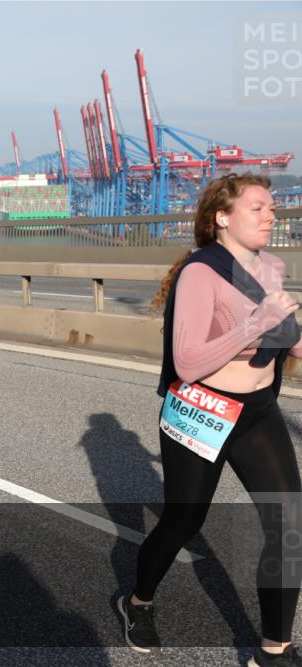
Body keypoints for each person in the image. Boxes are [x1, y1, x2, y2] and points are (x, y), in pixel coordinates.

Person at [119, 173, 302, 666]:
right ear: (223, 218)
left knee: (291, 524)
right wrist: (255, 324)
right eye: (258, 208)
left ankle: (273, 649)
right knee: (184, 519)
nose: (271, 216)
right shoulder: (200, 274)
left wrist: (286, 332)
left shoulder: (274, 266)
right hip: (203, 409)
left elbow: (288, 339)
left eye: (274, 208)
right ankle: (137, 601)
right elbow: (188, 363)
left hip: (258, 412)